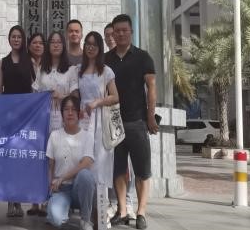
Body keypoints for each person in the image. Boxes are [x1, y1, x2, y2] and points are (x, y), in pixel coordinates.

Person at [105, 14, 158, 230]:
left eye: (124, 30)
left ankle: (141, 212)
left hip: (137, 121)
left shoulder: (143, 57)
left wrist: (150, 116)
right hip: (114, 124)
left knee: (142, 171)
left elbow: (151, 88)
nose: (120, 34)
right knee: (118, 170)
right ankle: (123, 210)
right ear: (112, 33)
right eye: (116, 31)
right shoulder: (106, 59)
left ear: (131, 32)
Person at [0, 25, 35, 218]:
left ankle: (19, 200)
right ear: (9, 39)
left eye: (19, 37)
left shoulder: (30, 62)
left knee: (21, 158)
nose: (16, 40)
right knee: (9, 158)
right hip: (8, 116)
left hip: (26, 116)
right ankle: (10, 202)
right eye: (13, 36)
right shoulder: (2, 62)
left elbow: (35, 89)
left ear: (23, 39)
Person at [75, 32, 119, 192]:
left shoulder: (106, 71)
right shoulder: (78, 70)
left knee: (100, 158)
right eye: (88, 44)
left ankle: (100, 201)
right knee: (82, 155)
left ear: (100, 48)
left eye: (94, 45)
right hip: (83, 118)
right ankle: (83, 197)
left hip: (100, 119)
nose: (90, 48)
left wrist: (97, 102)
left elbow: (115, 97)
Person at [46, 95, 96, 230]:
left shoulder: (87, 136)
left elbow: (86, 163)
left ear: (79, 113)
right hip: (61, 190)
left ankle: (85, 220)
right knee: (55, 219)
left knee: (86, 175)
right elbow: (50, 166)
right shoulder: (54, 136)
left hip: (79, 188)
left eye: (73, 109)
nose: (70, 113)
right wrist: (50, 190)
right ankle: (64, 209)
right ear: (61, 113)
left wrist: (62, 177)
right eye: (66, 109)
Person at [32, 31, 78, 133]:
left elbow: (75, 97)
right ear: (48, 46)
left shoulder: (71, 70)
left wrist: (61, 96)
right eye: (52, 42)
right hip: (44, 116)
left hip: (64, 117)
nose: (56, 45)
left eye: (59, 42)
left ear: (63, 45)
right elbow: (35, 95)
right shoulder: (42, 69)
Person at [26, 32, 47, 217]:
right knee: (34, 158)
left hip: (48, 117)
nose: (38, 45)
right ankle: (34, 202)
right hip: (30, 117)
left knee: (47, 158)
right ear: (29, 45)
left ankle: (45, 201)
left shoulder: (49, 65)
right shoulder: (24, 64)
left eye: (41, 42)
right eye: (34, 42)